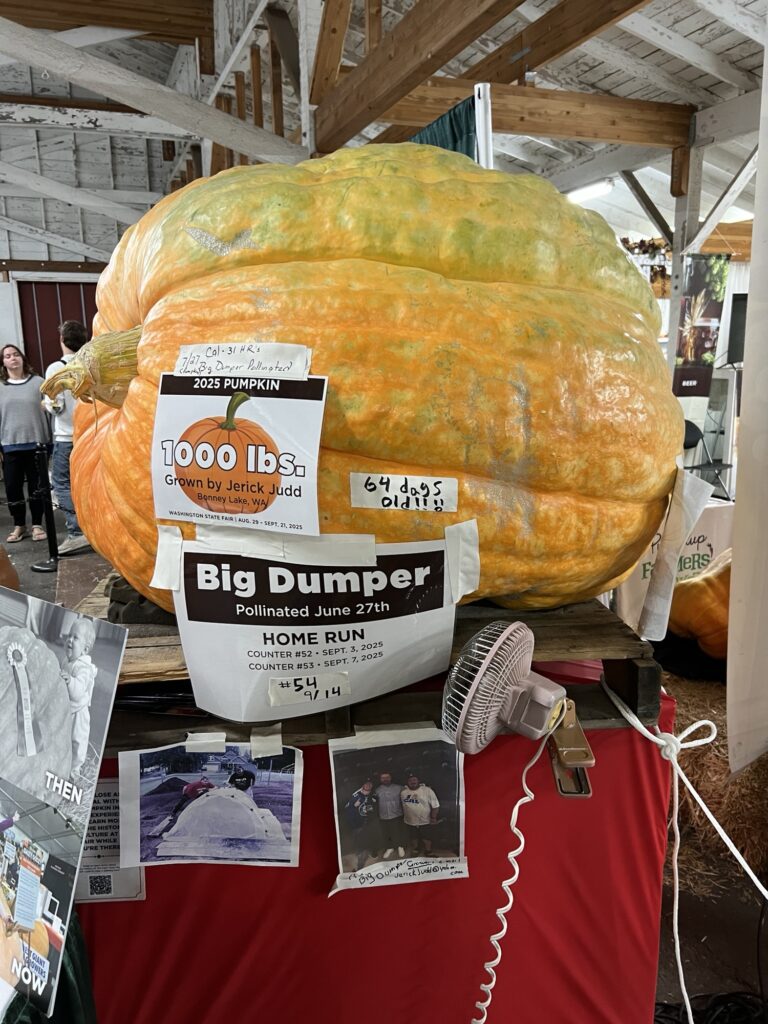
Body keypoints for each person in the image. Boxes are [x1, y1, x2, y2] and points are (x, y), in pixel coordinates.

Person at [43, 321, 90, 555]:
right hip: (90, 435)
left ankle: (77, 532)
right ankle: (94, 529)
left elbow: (57, 407)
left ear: (63, 340)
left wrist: (46, 404)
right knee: (88, 482)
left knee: (62, 483)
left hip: (66, 437)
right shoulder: (91, 364)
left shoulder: (56, 369)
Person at [0, 344, 51, 544]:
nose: (13, 358)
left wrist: (50, 441)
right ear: (3, 362)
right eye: (7, 356)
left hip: (37, 445)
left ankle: (37, 524)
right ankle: (19, 525)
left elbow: (51, 411)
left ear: (22, 358)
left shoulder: (39, 383)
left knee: (37, 487)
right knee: (12, 487)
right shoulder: (1, 387)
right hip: (10, 445)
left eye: (16, 354)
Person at [60, 619, 97, 775]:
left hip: (79, 713)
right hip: (67, 709)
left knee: (77, 740)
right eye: (69, 635)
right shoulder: (67, 661)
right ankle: (61, 760)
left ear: (84, 649)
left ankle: (75, 769)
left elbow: (78, 692)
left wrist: (70, 681)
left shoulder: (83, 668)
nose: (69, 640)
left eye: (75, 638)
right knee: (63, 736)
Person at [400, 773, 440, 856]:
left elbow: (435, 805)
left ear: (418, 781)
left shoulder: (427, 790)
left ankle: (428, 851)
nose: (412, 782)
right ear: (407, 782)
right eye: (410, 780)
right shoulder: (403, 792)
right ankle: (416, 850)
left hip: (425, 820)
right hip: (409, 821)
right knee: (413, 837)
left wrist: (433, 817)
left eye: (414, 779)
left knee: (427, 838)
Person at [344, 780, 379, 870]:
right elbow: (348, 810)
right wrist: (353, 807)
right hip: (359, 824)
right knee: (360, 844)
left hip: (370, 823)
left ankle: (373, 851)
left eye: (370, 784)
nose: (368, 785)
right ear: (362, 785)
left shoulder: (373, 795)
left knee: (373, 838)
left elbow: (376, 808)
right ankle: (360, 866)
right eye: (366, 784)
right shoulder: (355, 795)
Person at [375, 771, 406, 859]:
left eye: (387, 777)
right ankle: (390, 848)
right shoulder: (377, 790)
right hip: (383, 816)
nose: (385, 779)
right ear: (380, 779)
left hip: (397, 814)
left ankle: (400, 847)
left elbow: (409, 794)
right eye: (383, 778)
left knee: (398, 832)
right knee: (386, 833)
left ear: (390, 778)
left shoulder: (399, 788)